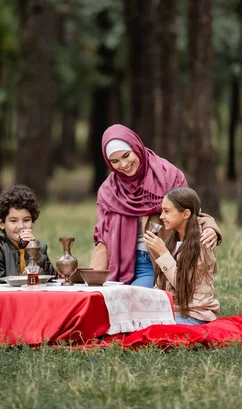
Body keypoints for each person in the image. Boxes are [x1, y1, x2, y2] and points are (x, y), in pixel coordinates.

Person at [90, 124, 222, 287]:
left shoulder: (168, 176)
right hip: (117, 265)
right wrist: (95, 279)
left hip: (155, 262)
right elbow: (103, 237)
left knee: (132, 303)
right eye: (115, 161)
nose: (123, 165)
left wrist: (210, 227)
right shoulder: (109, 190)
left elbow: (189, 213)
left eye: (126, 155)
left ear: (136, 147)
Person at [144, 187, 219, 325]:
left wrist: (162, 253)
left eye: (167, 211)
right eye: (162, 211)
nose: (161, 217)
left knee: (151, 330)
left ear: (185, 214)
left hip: (195, 315)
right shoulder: (174, 240)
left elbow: (181, 284)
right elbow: (162, 284)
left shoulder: (202, 243)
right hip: (174, 312)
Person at [0, 184, 56, 284]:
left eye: (26, 220)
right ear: (1, 223)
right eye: (13, 221)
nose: (21, 226)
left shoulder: (40, 248)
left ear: (33, 222)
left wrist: (34, 252)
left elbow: (52, 280)